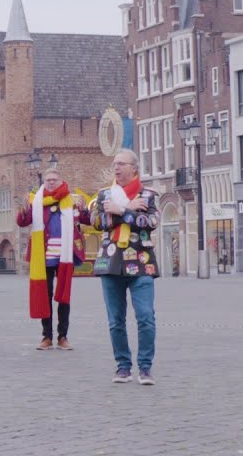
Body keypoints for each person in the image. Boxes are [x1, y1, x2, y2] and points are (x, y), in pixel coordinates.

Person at [89, 150, 159, 385]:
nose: (116, 168)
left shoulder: (148, 196)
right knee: (115, 320)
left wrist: (120, 211)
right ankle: (123, 366)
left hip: (141, 264)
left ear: (134, 168)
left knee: (146, 317)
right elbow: (97, 222)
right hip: (111, 264)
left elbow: (149, 223)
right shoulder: (104, 196)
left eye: (121, 164)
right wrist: (128, 209)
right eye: (114, 164)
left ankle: (146, 367)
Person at [17, 169, 90, 350]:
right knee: (45, 294)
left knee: (64, 296)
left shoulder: (71, 200)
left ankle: (63, 336)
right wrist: (25, 208)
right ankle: (47, 336)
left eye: (54, 180)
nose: (50, 182)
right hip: (44, 256)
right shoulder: (37, 201)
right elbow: (21, 221)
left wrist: (83, 207)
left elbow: (87, 219)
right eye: (48, 180)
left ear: (61, 181)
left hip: (65, 255)